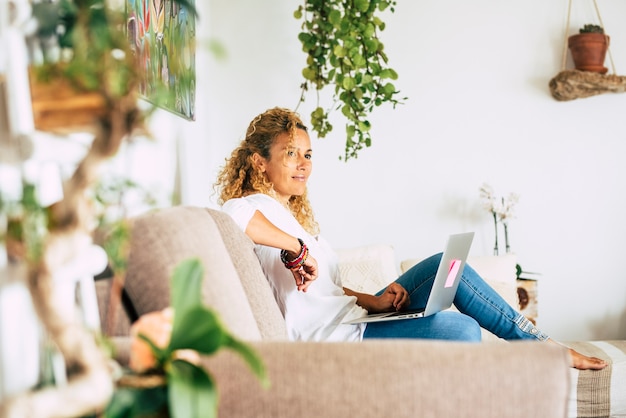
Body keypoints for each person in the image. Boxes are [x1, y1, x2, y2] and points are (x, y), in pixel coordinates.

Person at [214, 106, 607, 370]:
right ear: (258, 161)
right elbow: (235, 218)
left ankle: (544, 345)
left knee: (447, 264)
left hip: (351, 315)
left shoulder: (288, 216)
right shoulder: (250, 205)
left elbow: (326, 288)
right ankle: (544, 352)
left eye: (309, 154)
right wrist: (296, 247)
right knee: (463, 331)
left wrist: (373, 300)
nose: (304, 164)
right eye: (290, 154)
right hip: (333, 338)